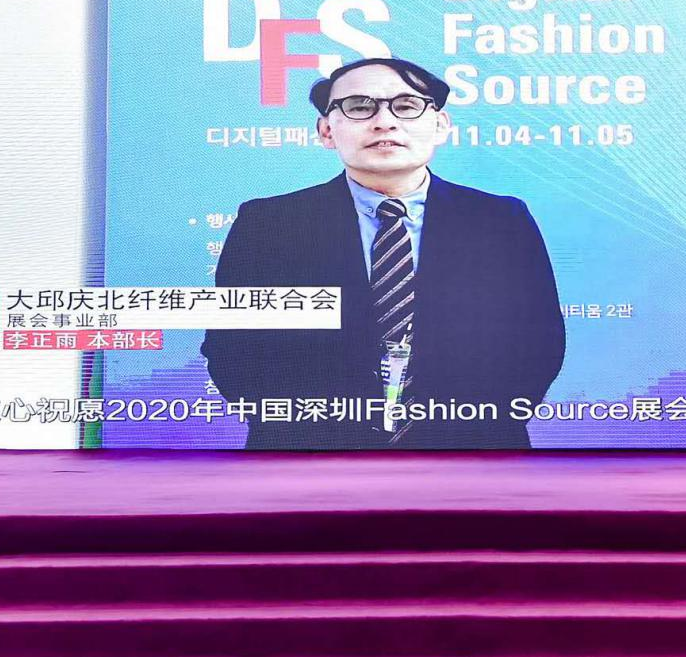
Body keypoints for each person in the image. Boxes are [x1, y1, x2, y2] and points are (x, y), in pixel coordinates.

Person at [201, 57, 565, 450]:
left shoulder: (501, 219)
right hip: (308, 458)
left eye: (407, 106)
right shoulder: (269, 223)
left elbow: (539, 344)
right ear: (326, 130)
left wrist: (468, 432)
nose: (385, 122)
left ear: (440, 125)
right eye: (359, 107)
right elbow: (233, 351)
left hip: (473, 456)